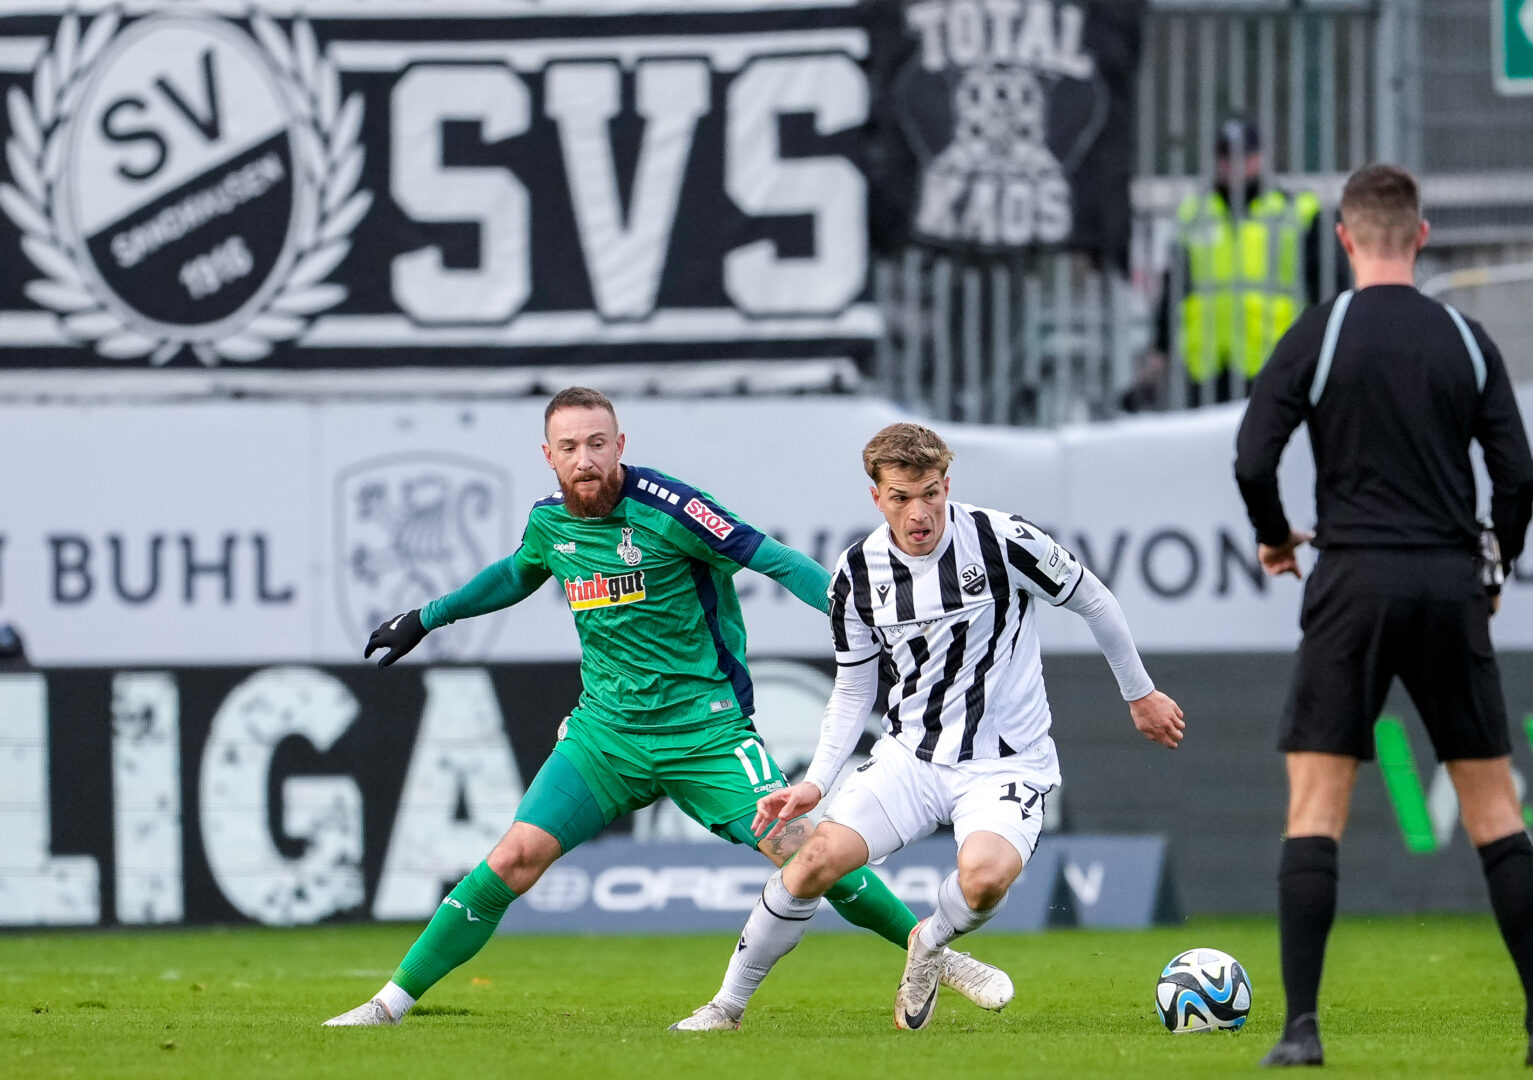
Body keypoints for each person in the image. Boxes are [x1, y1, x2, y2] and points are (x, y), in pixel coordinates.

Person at [323, 388, 1011, 1027]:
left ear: (620, 445)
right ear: (549, 456)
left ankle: (935, 954)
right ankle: (387, 1006)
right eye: (570, 447)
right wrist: (427, 617)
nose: (585, 460)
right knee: (513, 858)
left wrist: (865, 615)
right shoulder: (549, 523)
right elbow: (514, 573)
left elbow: (772, 559)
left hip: (704, 734)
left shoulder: (672, 509)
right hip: (605, 737)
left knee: (808, 852)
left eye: (598, 444)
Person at [671, 422, 1185, 1033]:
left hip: (1006, 763)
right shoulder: (857, 572)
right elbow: (854, 687)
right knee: (812, 861)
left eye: (930, 494)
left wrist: (1140, 692)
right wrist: (816, 781)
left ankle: (929, 943)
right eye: (901, 497)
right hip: (911, 758)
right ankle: (726, 1007)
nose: (919, 513)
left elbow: (1093, 599)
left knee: (985, 880)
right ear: (876, 497)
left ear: (947, 485)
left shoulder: (1003, 540)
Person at [1233, 165, 1533, 1067]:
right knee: (1496, 809)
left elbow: (1254, 455)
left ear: (1345, 238)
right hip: (1449, 583)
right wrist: (1495, 562)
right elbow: (1520, 475)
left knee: (1315, 808)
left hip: (1352, 582)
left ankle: (1302, 1031)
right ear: (1420, 237)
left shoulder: (1324, 331)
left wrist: (1275, 537)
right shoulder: (1463, 337)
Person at [1144, 119, 1349, 410]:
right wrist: (1159, 352)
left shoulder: (1295, 211)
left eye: (1244, 156)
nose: (1235, 165)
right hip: (1208, 366)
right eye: (1226, 156)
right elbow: (1174, 288)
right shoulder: (1195, 215)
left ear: (1260, 157)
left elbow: (1328, 286)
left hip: (1276, 360)